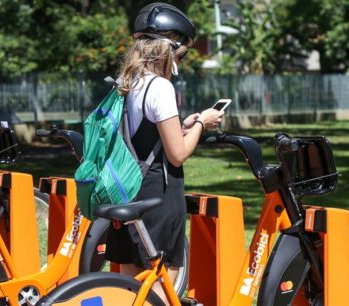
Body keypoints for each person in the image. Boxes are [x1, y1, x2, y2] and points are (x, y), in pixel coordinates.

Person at [105, 2, 224, 304]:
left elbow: (142, 136)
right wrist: (202, 123)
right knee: (160, 291)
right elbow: (177, 154)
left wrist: (182, 125)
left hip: (126, 189)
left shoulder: (128, 83)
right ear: (169, 49)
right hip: (158, 194)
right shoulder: (160, 87)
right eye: (180, 52)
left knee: (129, 289)